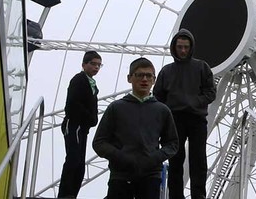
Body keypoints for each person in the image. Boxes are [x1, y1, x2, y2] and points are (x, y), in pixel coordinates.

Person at [92, 57, 178, 199]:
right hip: (120, 175)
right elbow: (99, 143)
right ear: (129, 78)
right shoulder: (116, 108)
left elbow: (173, 143)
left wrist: (154, 158)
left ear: (154, 79)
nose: (144, 79)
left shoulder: (163, 110)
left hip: (150, 176)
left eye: (149, 75)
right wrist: (121, 157)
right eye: (139, 75)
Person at [153, 28, 216, 199]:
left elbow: (211, 92)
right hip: (174, 120)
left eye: (186, 47)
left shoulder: (202, 67)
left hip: (197, 119)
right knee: (175, 160)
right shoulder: (166, 71)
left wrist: (195, 102)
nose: (182, 50)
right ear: (174, 47)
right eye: (180, 47)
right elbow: (157, 96)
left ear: (191, 47)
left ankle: (198, 195)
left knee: (198, 160)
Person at [59, 50, 102, 198]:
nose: (96, 67)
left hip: (82, 127)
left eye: (98, 65)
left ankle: (71, 194)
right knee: (74, 159)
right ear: (84, 65)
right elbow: (72, 104)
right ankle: (65, 194)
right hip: (74, 125)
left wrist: (91, 120)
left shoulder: (92, 84)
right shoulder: (79, 80)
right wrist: (89, 118)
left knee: (79, 162)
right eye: (93, 64)